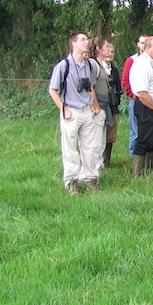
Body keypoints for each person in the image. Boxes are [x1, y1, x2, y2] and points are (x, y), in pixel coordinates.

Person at [48, 32, 104, 195]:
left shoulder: (88, 65)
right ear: (74, 44)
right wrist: (63, 109)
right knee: (70, 148)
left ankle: (90, 179)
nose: (87, 43)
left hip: (86, 111)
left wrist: (95, 105)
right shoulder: (63, 66)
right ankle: (71, 181)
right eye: (83, 40)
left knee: (90, 146)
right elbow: (53, 90)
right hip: (71, 111)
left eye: (87, 40)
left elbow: (90, 88)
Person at [129, 36, 153, 176]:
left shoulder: (151, 63)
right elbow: (142, 93)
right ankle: (138, 172)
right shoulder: (142, 65)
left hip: (152, 104)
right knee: (144, 138)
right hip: (147, 105)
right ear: (147, 48)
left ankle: (151, 166)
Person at [90, 38, 122, 169]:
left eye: (112, 50)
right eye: (107, 47)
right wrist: (96, 105)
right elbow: (90, 87)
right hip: (98, 106)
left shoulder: (113, 69)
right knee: (95, 139)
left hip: (110, 106)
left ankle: (103, 163)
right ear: (99, 49)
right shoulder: (93, 65)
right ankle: (93, 167)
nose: (110, 51)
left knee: (107, 136)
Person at [122, 35, 148, 155]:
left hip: (150, 100)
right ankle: (134, 153)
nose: (144, 45)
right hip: (136, 99)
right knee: (135, 129)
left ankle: (147, 153)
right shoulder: (132, 60)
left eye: (147, 42)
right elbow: (125, 80)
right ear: (138, 44)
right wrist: (132, 95)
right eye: (142, 42)